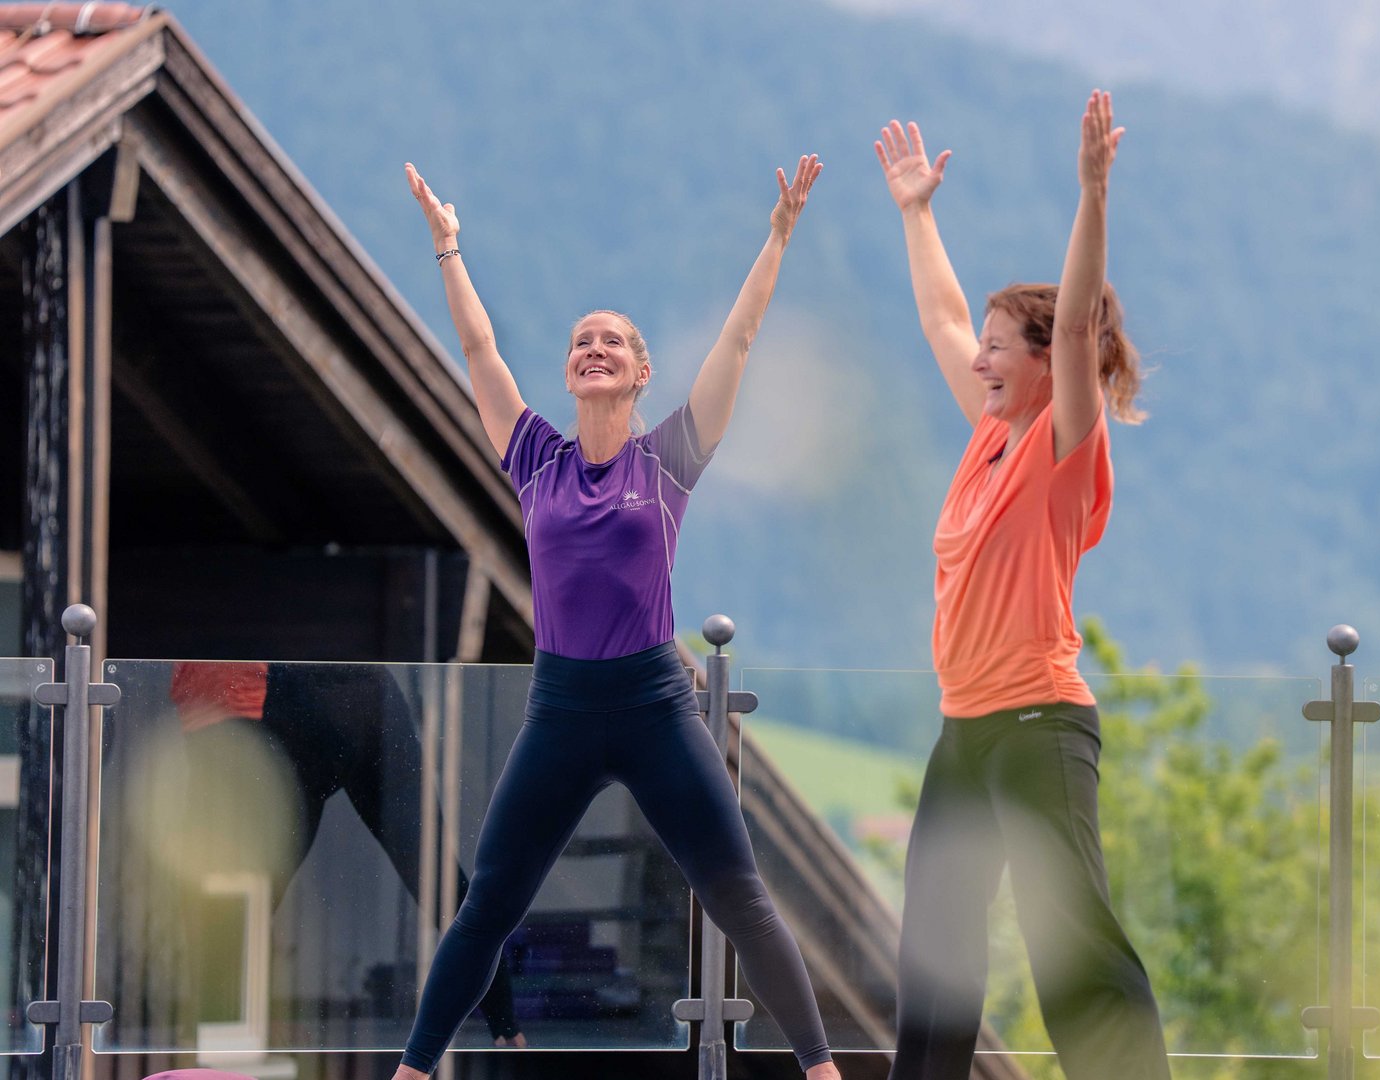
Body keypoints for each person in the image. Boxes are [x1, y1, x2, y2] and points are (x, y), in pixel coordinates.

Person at [390, 155, 839, 1079]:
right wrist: (448, 247)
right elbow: (478, 349)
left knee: (740, 896)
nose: (593, 350)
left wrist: (778, 236)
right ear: (570, 371)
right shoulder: (536, 460)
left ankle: (824, 1071)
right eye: (580, 342)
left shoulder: (669, 458)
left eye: (612, 343)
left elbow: (740, 340)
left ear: (640, 373)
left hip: (654, 707)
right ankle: (411, 1072)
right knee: (487, 908)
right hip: (559, 713)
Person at [872, 92, 1171, 1080]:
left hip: (1040, 726)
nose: (981, 357)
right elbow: (942, 315)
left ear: (1045, 365)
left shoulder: (1061, 444)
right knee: (934, 968)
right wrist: (917, 213)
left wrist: (1093, 193)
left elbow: (1079, 323)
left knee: (1071, 954)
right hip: (964, 731)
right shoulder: (992, 434)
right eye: (987, 344)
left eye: (1001, 346)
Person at [168, 661, 524, 1045]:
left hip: (272, 701)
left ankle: (212, 1034)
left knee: (235, 894)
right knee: (436, 875)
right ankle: (509, 1031)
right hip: (360, 687)